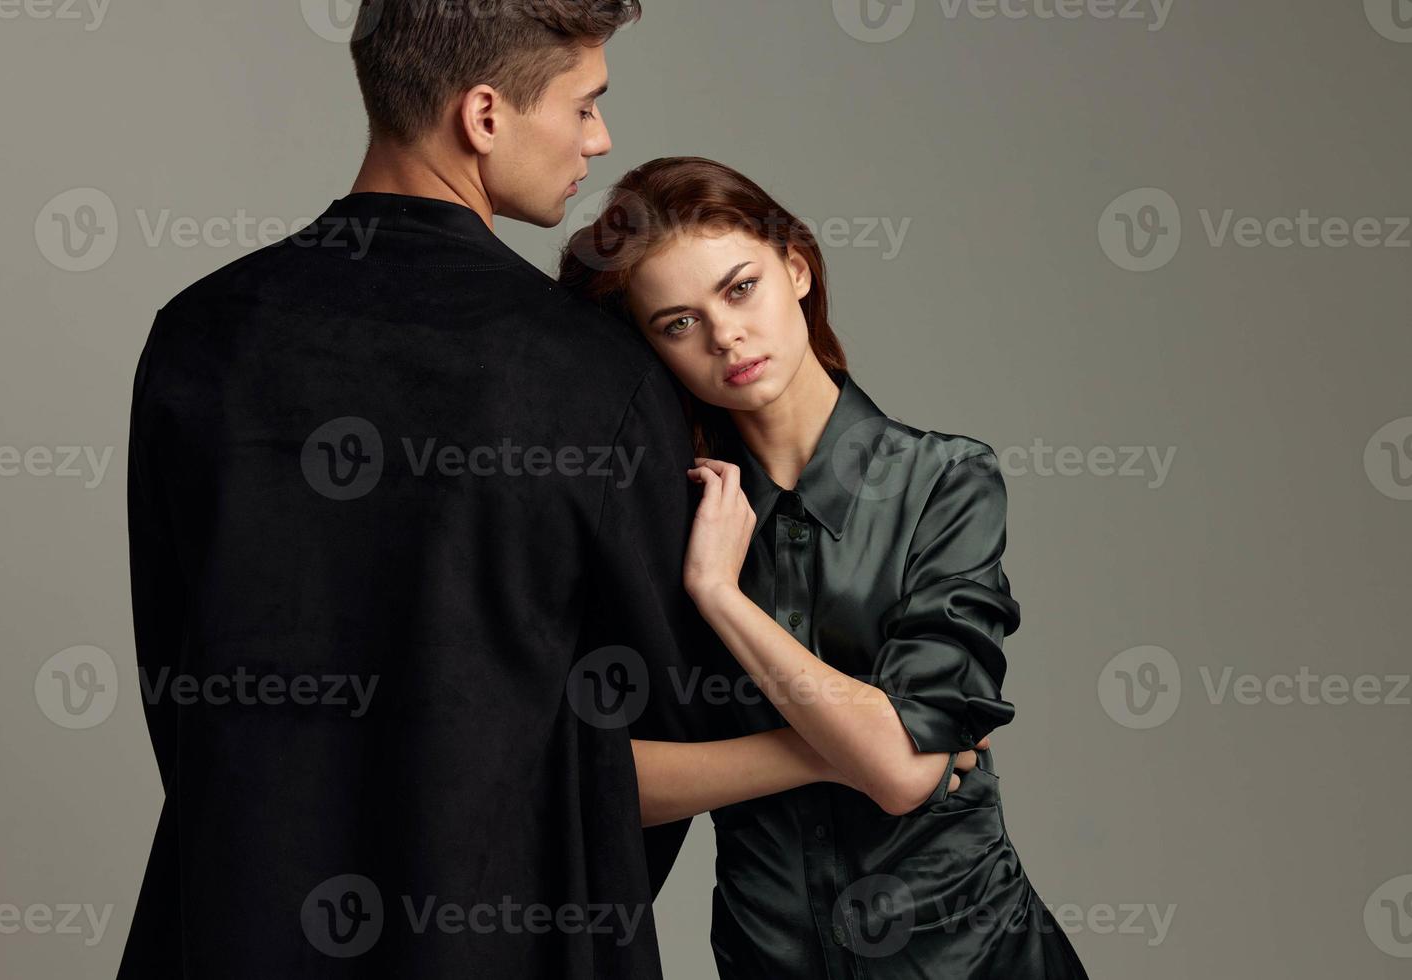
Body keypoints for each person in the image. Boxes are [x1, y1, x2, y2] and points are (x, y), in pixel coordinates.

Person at [117, 3, 749, 976]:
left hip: (226, 931)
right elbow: (652, 744)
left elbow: (178, 679)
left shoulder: (199, 337)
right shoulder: (596, 377)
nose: (601, 137)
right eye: (585, 105)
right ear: (485, 115)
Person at [558, 156, 1092, 978]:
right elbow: (600, 776)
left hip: (972, 957)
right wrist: (847, 744)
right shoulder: (664, 519)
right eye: (677, 323)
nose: (725, 335)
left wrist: (722, 600)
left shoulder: (944, 481)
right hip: (772, 957)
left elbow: (899, 777)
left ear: (797, 268)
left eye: (740, 289)